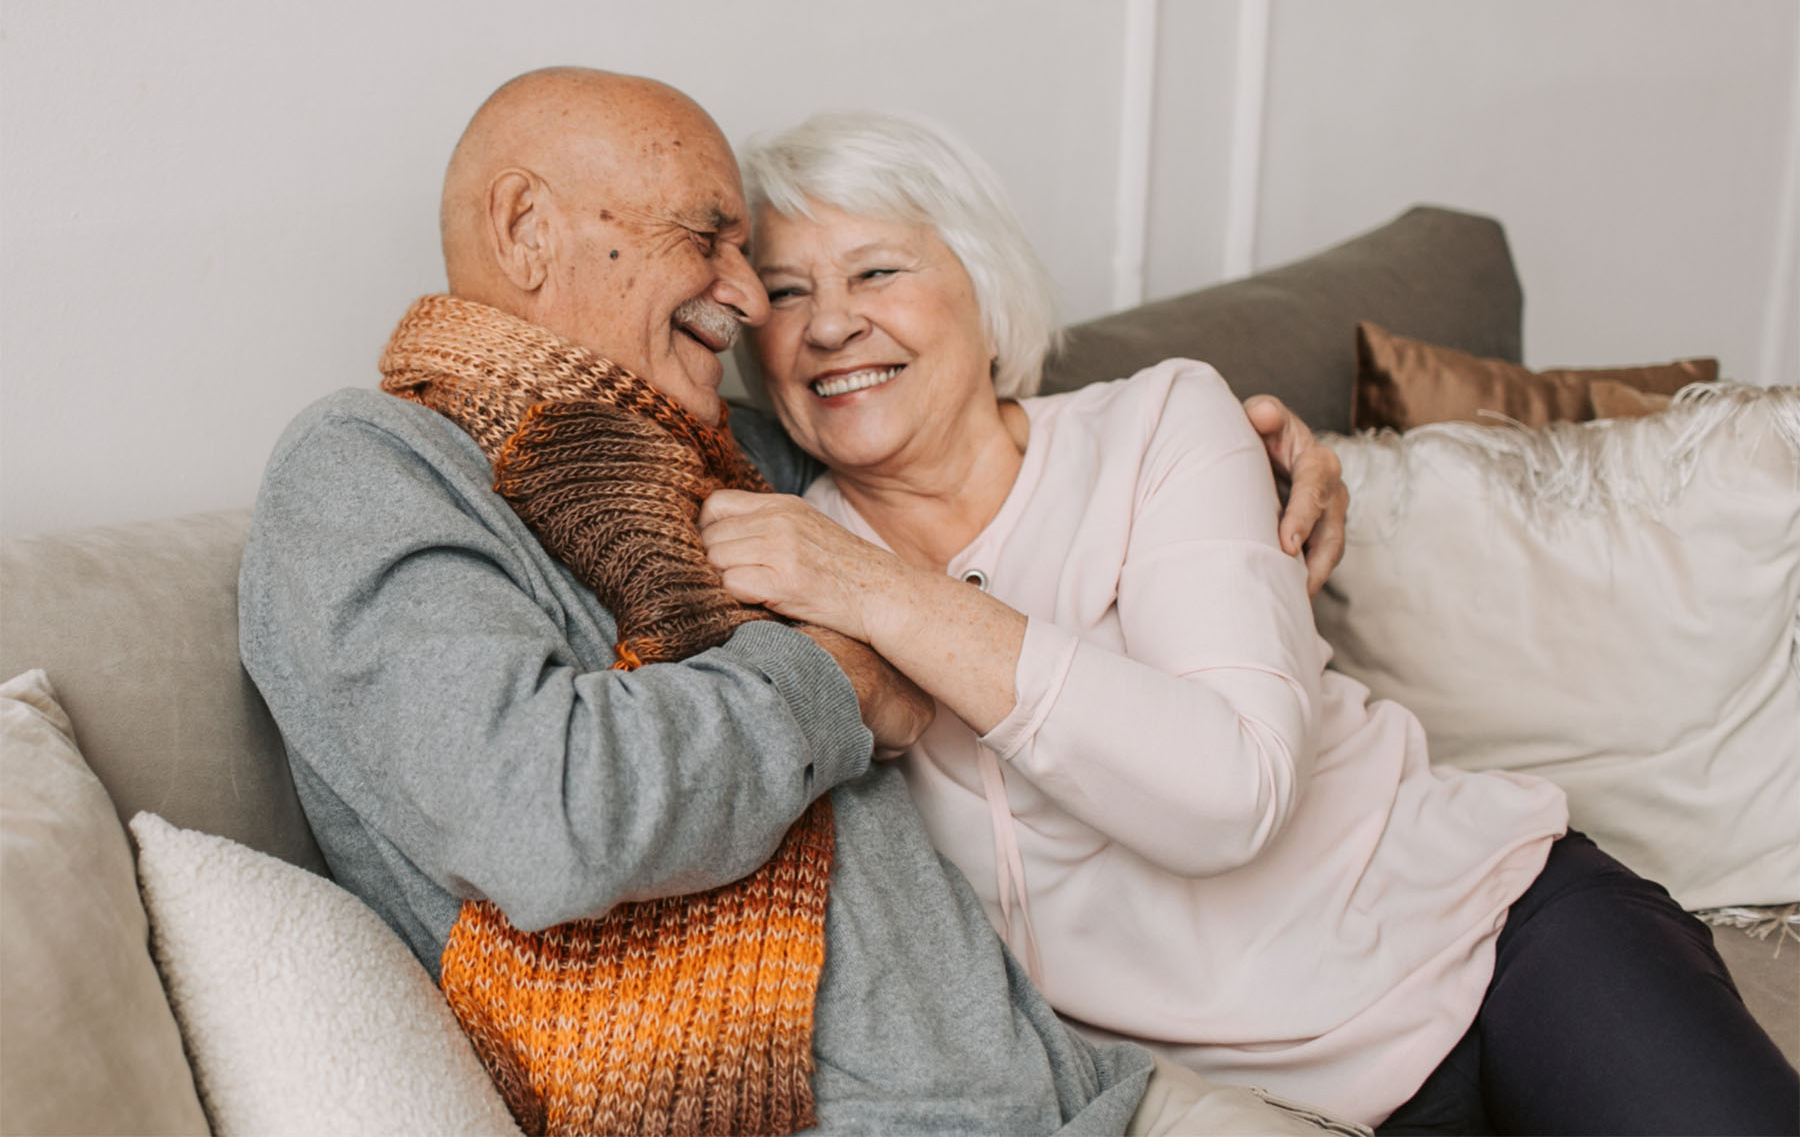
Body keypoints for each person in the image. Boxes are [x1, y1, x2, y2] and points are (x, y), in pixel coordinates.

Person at [238, 67, 1361, 1137]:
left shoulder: (726, 451)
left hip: (1077, 1089)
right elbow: (545, 818)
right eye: (710, 238)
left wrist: (1248, 452)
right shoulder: (368, 470)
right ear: (528, 229)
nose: (744, 297)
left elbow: (947, 421)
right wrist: (840, 680)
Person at [699, 108, 1800, 1136]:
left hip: (1493, 941)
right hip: (1241, 1100)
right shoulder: (779, 546)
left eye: (877, 270)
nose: (832, 324)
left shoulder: (1161, 424)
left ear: (984, 292)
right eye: (786, 295)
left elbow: (1231, 795)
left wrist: (884, 594)